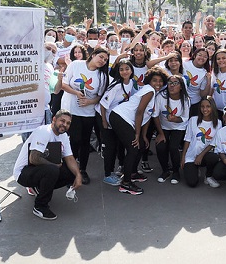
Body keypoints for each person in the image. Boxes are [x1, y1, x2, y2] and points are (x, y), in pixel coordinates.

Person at [13, 110, 82, 220]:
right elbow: (33, 158)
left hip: (40, 169)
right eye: (62, 121)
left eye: (68, 123)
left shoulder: (63, 136)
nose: (64, 125)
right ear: (54, 119)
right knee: (52, 170)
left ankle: (40, 186)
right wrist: (54, 166)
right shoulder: (43, 131)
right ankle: (40, 206)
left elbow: (69, 157)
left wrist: (78, 175)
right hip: (23, 173)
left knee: (71, 171)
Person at [109, 66, 168, 195]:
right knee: (133, 148)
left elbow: (147, 116)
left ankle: (133, 173)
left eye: (160, 81)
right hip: (120, 117)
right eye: (155, 80)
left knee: (141, 145)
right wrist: (137, 134)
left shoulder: (154, 93)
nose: (158, 83)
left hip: (127, 119)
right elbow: (139, 112)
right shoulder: (149, 91)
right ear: (149, 81)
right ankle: (126, 183)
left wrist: (143, 136)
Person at [61, 47, 109, 185]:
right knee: (74, 139)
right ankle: (70, 168)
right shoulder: (76, 65)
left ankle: (82, 169)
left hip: (88, 112)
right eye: (101, 57)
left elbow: (99, 96)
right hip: (70, 110)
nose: (102, 61)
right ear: (93, 55)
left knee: (85, 141)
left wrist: (89, 101)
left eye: (105, 60)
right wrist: (76, 93)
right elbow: (64, 84)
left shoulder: (102, 75)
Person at [153, 74, 191, 184]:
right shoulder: (161, 97)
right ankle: (165, 170)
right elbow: (155, 115)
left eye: (175, 83)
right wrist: (160, 133)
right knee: (160, 146)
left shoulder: (186, 99)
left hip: (179, 127)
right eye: (170, 83)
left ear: (181, 87)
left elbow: (184, 118)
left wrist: (176, 119)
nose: (172, 86)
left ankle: (176, 171)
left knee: (173, 147)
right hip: (163, 126)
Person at [181, 97, 222, 187]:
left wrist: (201, 155)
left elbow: (214, 143)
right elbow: (187, 139)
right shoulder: (193, 120)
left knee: (214, 157)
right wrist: (183, 157)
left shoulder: (218, 123)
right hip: (192, 155)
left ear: (212, 107)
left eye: (208, 106)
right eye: (202, 106)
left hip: (206, 154)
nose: (205, 109)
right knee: (192, 183)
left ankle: (208, 176)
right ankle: (195, 168)